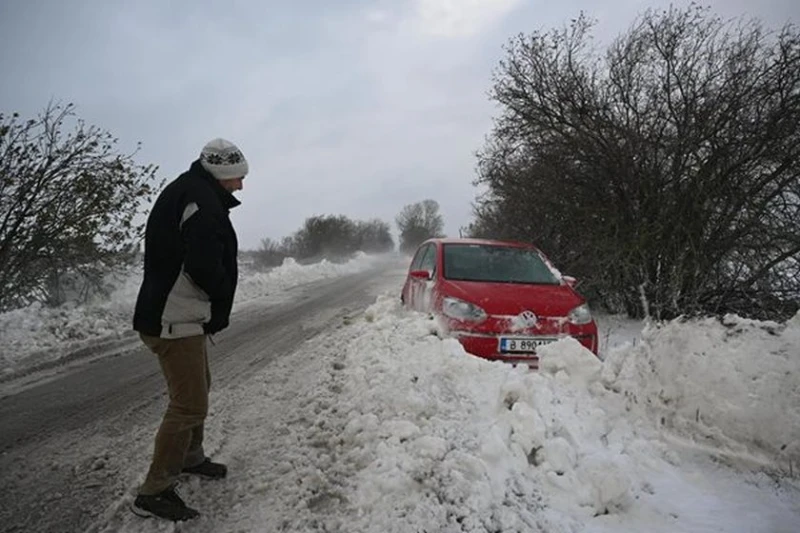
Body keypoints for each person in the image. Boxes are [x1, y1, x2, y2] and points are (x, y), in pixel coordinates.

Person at [131, 138, 248, 521]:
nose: (240, 187)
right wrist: (221, 294)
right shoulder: (199, 202)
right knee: (188, 404)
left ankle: (189, 458)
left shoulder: (197, 192)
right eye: (236, 178)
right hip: (172, 318)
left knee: (199, 389)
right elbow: (202, 264)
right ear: (219, 173)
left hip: (183, 316)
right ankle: (154, 490)